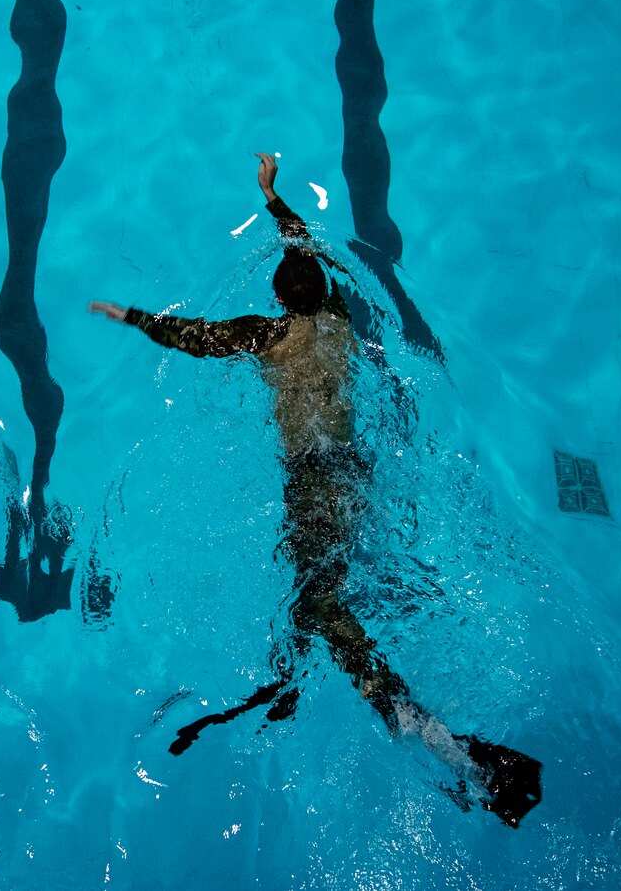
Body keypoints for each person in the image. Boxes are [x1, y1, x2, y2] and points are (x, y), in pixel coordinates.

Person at [88, 154, 542, 828]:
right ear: (323, 288)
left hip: (314, 482)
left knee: (320, 603)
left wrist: (127, 314)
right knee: (321, 596)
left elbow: (192, 337)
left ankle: (414, 719)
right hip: (359, 473)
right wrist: (273, 197)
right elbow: (305, 243)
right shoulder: (337, 318)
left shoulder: (268, 336)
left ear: (276, 299)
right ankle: (321, 672)